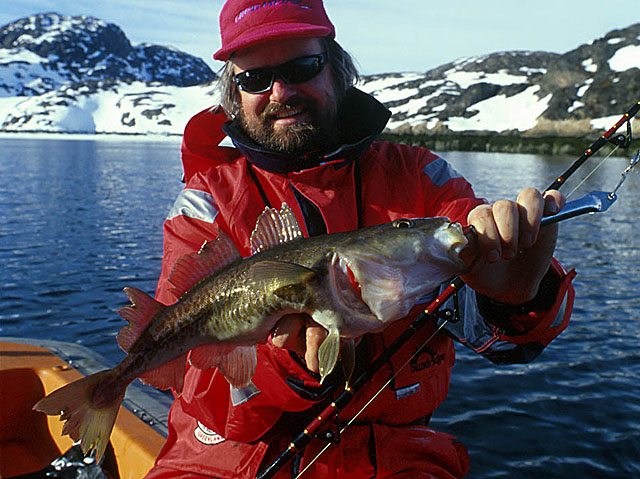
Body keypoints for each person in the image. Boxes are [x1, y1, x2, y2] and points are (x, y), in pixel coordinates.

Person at [145, 1, 575, 477]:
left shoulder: (423, 180)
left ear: (337, 69)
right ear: (233, 92)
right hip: (226, 462)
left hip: (399, 462)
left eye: (302, 66)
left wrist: (516, 298)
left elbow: (501, 341)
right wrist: (287, 365)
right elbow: (191, 383)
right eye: (254, 79)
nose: (281, 91)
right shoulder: (205, 203)